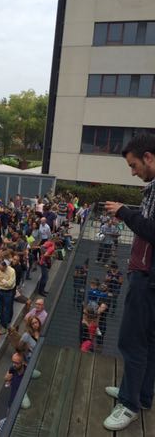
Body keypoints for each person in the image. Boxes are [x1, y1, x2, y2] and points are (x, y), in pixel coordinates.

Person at [103, 134, 155, 431]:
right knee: (148, 341)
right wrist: (130, 212)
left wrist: (124, 213)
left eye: (135, 165)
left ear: (148, 157)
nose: (133, 172)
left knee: (132, 341)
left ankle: (129, 404)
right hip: (148, 277)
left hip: (148, 279)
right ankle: (139, 394)